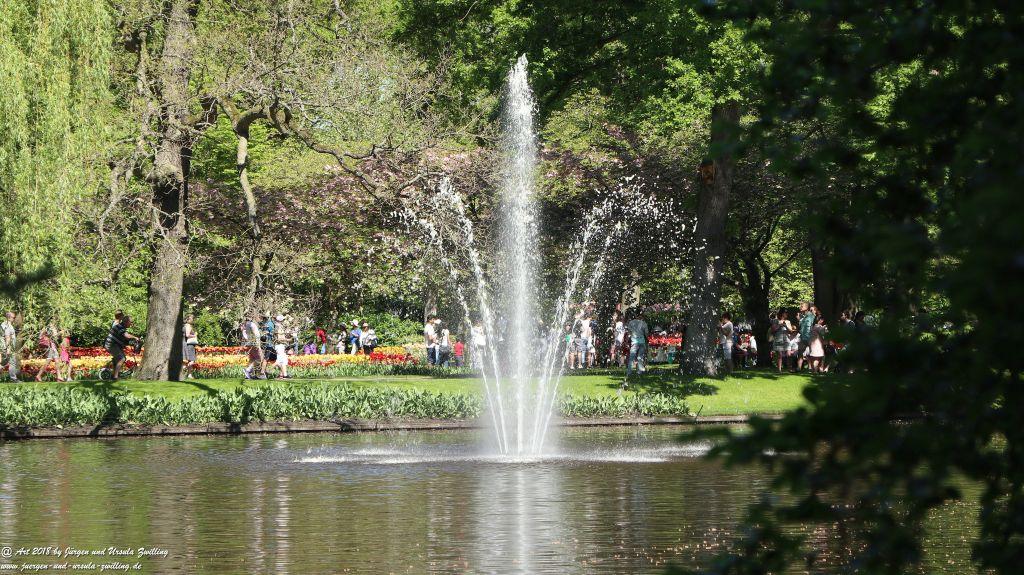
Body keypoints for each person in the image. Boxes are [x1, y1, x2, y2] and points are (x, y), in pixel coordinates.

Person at [104, 314, 140, 381]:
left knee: (117, 359)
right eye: (131, 322)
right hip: (111, 345)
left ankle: (113, 374)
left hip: (114, 345)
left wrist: (131, 343)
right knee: (122, 358)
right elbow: (126, 335)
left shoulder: (121, 327)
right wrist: (135, 337)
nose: (131, 324)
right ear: (126, 322)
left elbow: (124, 338)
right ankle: (115, 377)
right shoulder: (119, 327)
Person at [625, 310, 650, 382]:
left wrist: (627, 340)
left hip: (634, 341)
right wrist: (647, 339)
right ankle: (639, 372)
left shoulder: (631, 322)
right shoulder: (644, 323)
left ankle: (629, 372)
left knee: (631, 358)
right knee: (640, 357)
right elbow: (646, 333)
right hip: (642, 341)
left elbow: (629, 332)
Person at [243, 314, 265, 379]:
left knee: (252, 359)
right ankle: (248, 370)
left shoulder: (247, 324)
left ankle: (249, 375)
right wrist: (258, 344)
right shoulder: (252, 324)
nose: (260, 319)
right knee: (259, 359)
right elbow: (254, 334)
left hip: (250, 343)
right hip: (254, 343)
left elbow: (246, 334)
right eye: (259, 317)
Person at [797, 302, 815, 371]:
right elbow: (801, 326)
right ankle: (798, 368)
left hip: (810, 337)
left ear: (807, 308)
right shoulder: (803, 316)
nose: (800, 307)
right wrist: (799, 320)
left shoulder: (811, 315)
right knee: (800, 352)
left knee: (812, 353)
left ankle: (813, 368)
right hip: (803, 337)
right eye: (800, 306)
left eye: (802, 306)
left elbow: (812, 325)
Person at [2, 311, 20, 381]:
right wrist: (8, 348)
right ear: (9, 318)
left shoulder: (4, 324)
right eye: (13, 317)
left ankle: (13, 378)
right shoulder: (7, 325)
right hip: (9, 347)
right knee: (12, 362)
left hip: (7, 346)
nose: (14, 319)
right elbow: (7, 337)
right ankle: (13, 378)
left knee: (4, 362)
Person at [182, 314, 199, 379]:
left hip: (185, 344)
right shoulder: (188, 326)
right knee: (192, 360)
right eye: (192, 319)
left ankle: (189, 375)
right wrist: (194, 335)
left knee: (188, 360)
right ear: (188, 319)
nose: (193, 320)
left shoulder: (184, 326)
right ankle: (184, 369)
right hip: (190, 345)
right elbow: (187, 335)